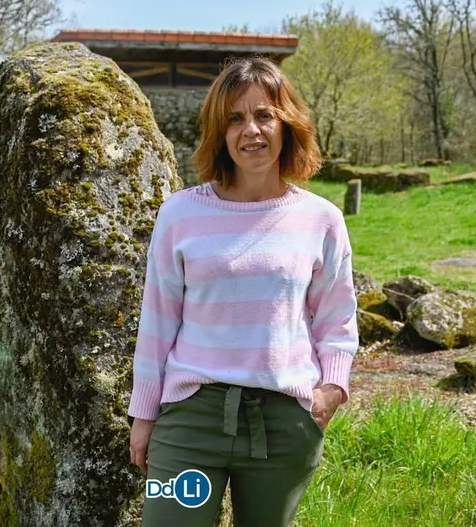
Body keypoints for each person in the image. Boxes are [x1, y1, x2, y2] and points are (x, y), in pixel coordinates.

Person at [127, 56, 359, 527]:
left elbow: (337, 315)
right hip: (189, 421)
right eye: (235, 118)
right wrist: (144, 415)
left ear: (287, 124)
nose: (250, 130)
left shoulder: (320, 218)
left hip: (283, 421)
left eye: (264, 115)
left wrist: (332, 388)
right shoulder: (179, 214)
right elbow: (157, 320)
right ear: (219, 130)